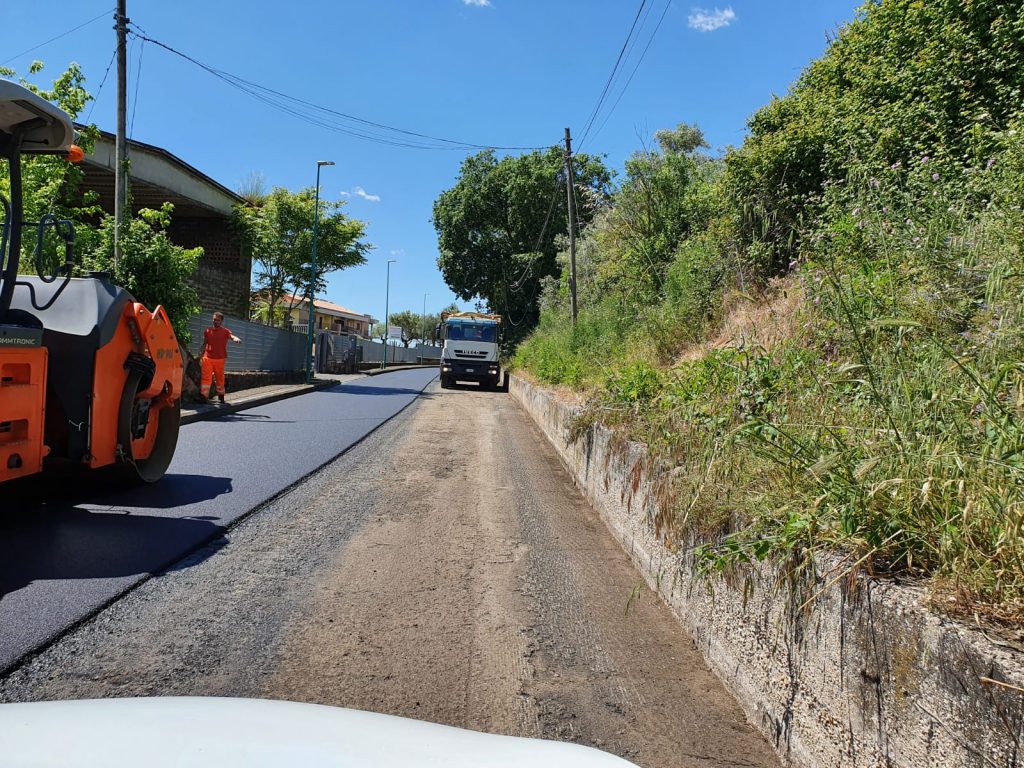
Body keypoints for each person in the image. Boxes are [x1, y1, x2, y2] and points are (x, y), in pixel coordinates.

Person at [199, 311, 241, 403]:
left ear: (221, 321)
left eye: (218, 320)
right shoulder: (207, 331)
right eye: (214, 319)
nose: (215, 321)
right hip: (207, 358)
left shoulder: (225, 331)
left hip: (220, 359)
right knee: (206, 378)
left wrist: (236, 339)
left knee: (220, 378)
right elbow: (205, 343)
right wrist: (201, 353)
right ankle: (204, 397)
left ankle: (221, 396)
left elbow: (231, 336)